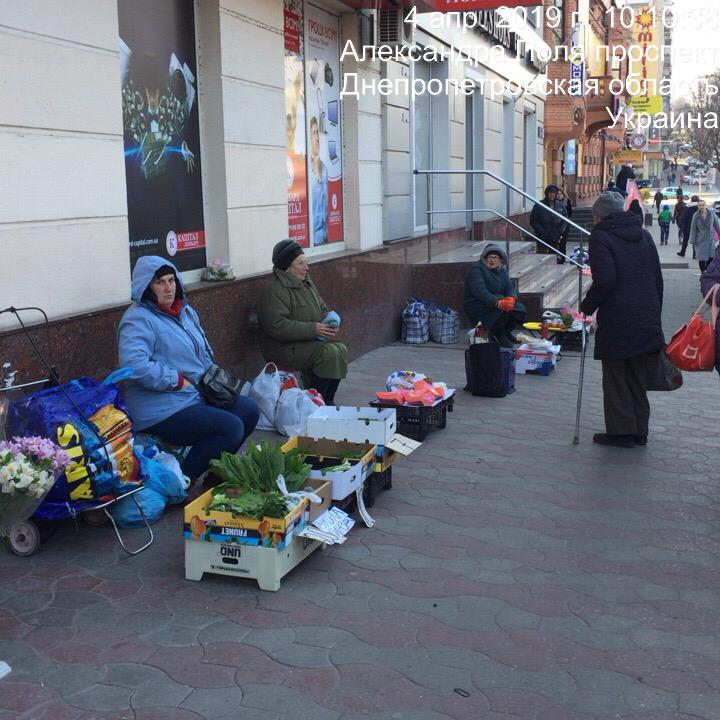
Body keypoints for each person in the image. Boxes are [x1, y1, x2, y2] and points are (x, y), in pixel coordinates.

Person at [118, 257, 260, 484]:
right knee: (230, 428)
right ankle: (181, 481)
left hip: (194, 394)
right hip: (160, 407)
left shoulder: (184, 312)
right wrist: (174, 379)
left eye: (171, 280)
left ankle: (215, 477)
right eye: (160, 283)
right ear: (146, 287)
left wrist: (212, 378)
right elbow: (133, 366)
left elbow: (202, 353)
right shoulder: (138, 319)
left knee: (248, 409)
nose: (168, 288)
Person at [580, 192, 664, 448]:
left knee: (616, 376)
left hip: (618, 317)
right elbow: (657, 278)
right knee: (637, 376)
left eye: (595, 215)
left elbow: (605, 280)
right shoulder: (645, 235)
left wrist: (587, 306)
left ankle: (620, 432)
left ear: (600, 216)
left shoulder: (601, 237)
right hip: (646, 315)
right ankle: (640, 430)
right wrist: (654, 313)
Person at [257, 239, 347, 404]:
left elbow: (322, 308)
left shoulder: (306, 283)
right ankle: (316, 400)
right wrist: (314, 329)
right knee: (329, 353)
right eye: (300, 263)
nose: (306, 267)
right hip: (283, 348)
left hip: (306, 342)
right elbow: (276, 326)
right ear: (287, 267)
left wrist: (330, 322)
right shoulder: (273, 291)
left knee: (339, 349)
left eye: (306, 262)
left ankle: (326, 399)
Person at [463, 244, 527, 349]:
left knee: (518, 308)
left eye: (495, 258)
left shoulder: (501, 270)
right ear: (484, 258)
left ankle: (506, 331)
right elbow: (479, 290)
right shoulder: (476, 269)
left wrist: (512, 298)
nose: (492, 260)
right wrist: (497, 302)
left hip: (496, 299)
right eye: (490, 257)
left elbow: (509, 287)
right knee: (500, 309)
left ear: (500, 260)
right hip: (477, 303)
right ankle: (498, 334)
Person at [529, 185, 567, 258]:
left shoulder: (560, 205)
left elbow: (565, 219)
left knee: (553, 256)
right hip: (542, 235)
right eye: (550, 193)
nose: (552, 194)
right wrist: (541, 231)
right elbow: (533, 220)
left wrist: (560, 231)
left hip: (555, 236)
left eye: (554, 193)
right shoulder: (539, 205)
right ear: (547, 193)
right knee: (542, 256)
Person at [309, 116, 328, 246]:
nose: (317, 138)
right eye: (314, 133)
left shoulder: (325, 169)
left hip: (327, 240)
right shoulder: (305, 169)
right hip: (310, 241)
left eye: (319, 134)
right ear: (309, 138)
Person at [689, 199, 720, 272]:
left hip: (710, 240)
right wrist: (692, 240)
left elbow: (717, 225)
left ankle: (707, 274)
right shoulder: (696, 215)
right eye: (700, 205)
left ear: (706, 205)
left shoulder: (711, 213)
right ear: (698, 207)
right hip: (700, 241)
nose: (701, 207)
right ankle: (703, 274)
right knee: (702, 259)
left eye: (703, 205)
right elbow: (693, 228)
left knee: (711, 258)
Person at [555, 187, 573, 264]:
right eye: (557, 194)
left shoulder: (567, 201)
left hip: (565, 225)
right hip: (555, 225)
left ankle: (563, 258)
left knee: (563, 242)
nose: (559, 195)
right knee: (556, 242)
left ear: (563, 194)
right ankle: (556, 257)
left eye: (560, 194)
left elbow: (570, 213)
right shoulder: (553, 203)